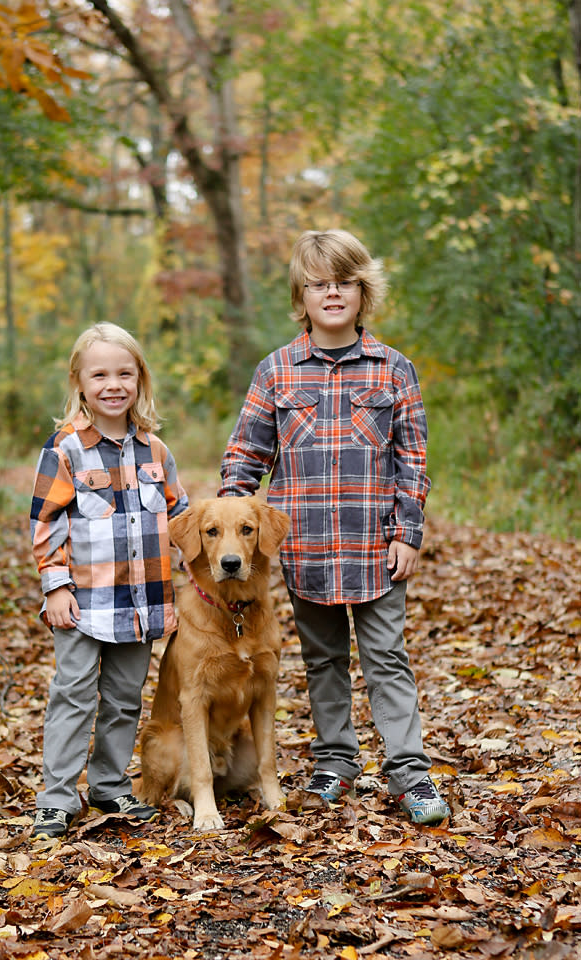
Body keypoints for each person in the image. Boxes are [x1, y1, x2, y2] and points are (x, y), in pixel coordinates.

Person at [219, 229, 450, 825]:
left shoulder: (394, 369)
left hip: (374, 547)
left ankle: (409, 772)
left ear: (362, 290)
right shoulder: (276, 372)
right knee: (322, 660)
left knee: (386, 657)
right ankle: (335, 761)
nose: (332, 293)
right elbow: (245, 457)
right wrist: (227, 521)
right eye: (320, 284)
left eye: (344, 282)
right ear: (302, 293)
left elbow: (413, 460)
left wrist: (407, 532)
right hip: (304, 550)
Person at [30, 322, 188, 839]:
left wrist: (194, 568)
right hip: (83, 604)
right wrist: (55, 586)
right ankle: (56, 797)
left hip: (141, 602)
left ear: (140, 380)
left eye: (125, 373)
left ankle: (108, 784)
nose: (113, 384)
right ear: (79, 381)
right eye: (100, 374)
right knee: (74, 694)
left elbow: (180, 515)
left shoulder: (156, 451)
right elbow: (46, 521)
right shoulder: (65, 449)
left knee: (124, 696)